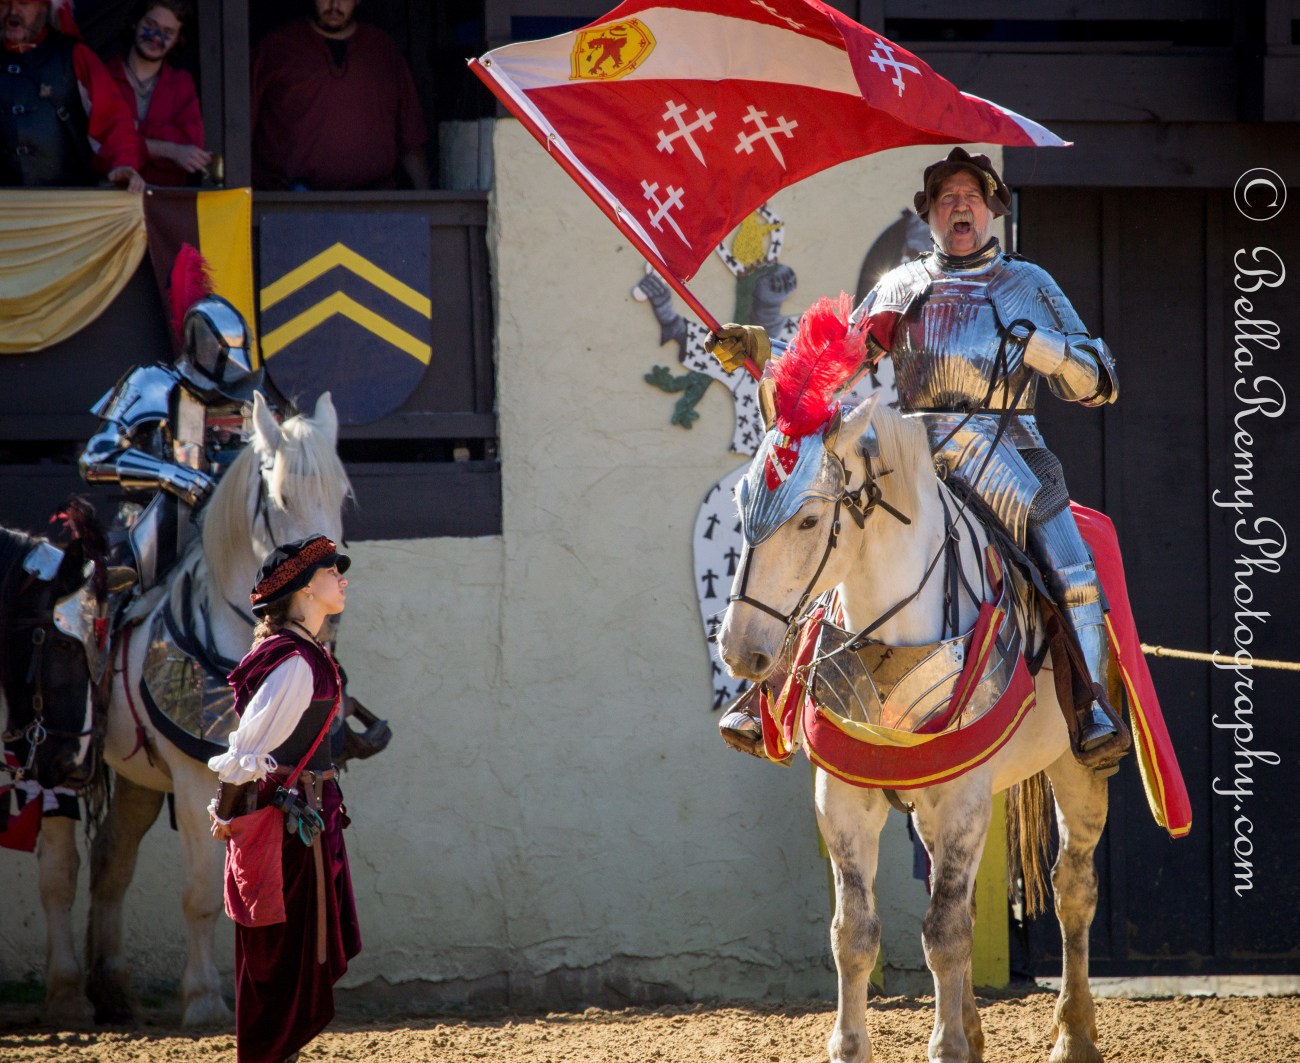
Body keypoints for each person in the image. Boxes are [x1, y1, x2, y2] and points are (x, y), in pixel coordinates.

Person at [710, 147, 1129, 771]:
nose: (960, 206)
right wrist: (761, 357)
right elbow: (828, 376)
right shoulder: (899, 285)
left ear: (990, 210)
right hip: (908, 453)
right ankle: (768, 692)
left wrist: (1046, 348)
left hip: (1006, 450)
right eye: (946, 198)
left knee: (1070, 563)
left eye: (971, 197)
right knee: (825, 527)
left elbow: (1100, 381)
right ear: (930, 214)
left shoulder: (1029, 283)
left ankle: (1088, 704)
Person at [208, 534, 361, 1063]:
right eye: (331, 571)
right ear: (303, 588)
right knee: (281, 964)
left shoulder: (306, 652)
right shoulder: (294, 661)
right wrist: (224, 812)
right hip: (285, 835)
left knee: (293, 961)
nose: (342, 578)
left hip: (305, 824)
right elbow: (247, 749)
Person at [80, 255, 260, 588]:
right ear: (199, 346)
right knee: (98, 593)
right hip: (144, 535)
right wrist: (170, 474)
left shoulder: (246, 398)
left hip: (228, 536)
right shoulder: (151, 383)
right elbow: (94, 459)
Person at [250, 0, 429, 191]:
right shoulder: (276, 47)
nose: (334, 5)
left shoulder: (381, 49)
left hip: (373, 200)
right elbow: (238, 130)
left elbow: (411, 138)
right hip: (288, 200)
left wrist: (426, 197)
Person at [0, 0, 145, 190]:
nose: (13, 12)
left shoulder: (74, 55)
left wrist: (123, 163)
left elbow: (112, 118)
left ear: (44, 7)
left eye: (24, 3)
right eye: (4, 3)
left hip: (67, 199)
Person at [106, 0, 210, 186]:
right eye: (150, 24)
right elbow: (103, 143)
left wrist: (134, 128)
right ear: (134, 22)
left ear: (178, 39)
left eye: (168, 32)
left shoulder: (181, 83)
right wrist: (171, 150)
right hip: (111, 196)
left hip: (164, 198)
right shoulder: (105, 76)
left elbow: (192, 144)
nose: (155, 37)